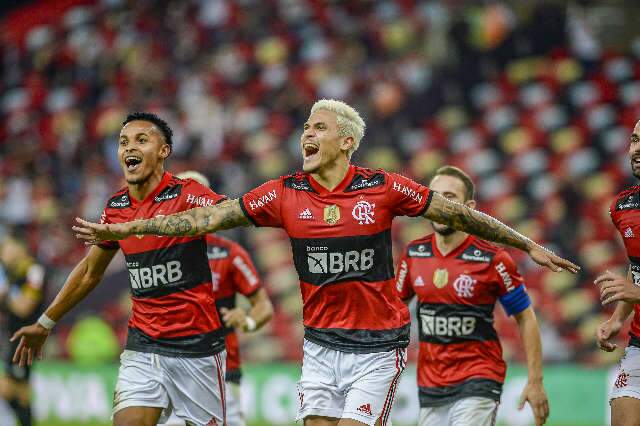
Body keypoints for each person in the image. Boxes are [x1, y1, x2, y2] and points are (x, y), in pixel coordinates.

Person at [73, 99, 578, 426]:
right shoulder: (282, 194)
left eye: (318, 127)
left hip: (378, 347)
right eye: (305, 128)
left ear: (346, 141)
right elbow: (204, 219)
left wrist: (525, 243)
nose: (306, 135)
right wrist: (129, 227)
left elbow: (455, 212)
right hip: (318, 345)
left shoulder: (383, 188)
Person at [11, 112, 229, 426]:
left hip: (196, 348)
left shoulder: (186, 193)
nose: (130, 147)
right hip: (143, 346)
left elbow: (230, 213)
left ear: (163, 151)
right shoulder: (116, 208)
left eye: (142, 140)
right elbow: (90, 271)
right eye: (124, 141)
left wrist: (155, 224)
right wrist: (45, 322)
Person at [395, 166, 548, 426]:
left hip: (478, 379)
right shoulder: (414, 253)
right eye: (435, 196)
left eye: (450, 197)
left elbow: (526, 316)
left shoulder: (493, 259)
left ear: (470, 206)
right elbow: (394, 310)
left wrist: (535, 380)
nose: (441, 204)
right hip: (430, 383)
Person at [176, 170, 274, 426]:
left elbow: (263, 305)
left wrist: (248, 322)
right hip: (172, 367)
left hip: (221, 368)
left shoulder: (229, 254)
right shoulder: (158, 253)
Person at [595, 119, 640, 426]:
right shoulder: (623, 206)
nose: (637, 149)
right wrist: (617, 319)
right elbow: (637, 267)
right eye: (635, 140)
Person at [0, 234, 46, 426]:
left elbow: (24, 306)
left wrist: (4, 292)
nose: (3, 253)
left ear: (20, 248)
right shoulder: (14, 274)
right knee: (19, 392)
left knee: (11, 389)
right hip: (14, 338)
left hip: (25, 339)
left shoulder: (34, 271)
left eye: (6, 248)